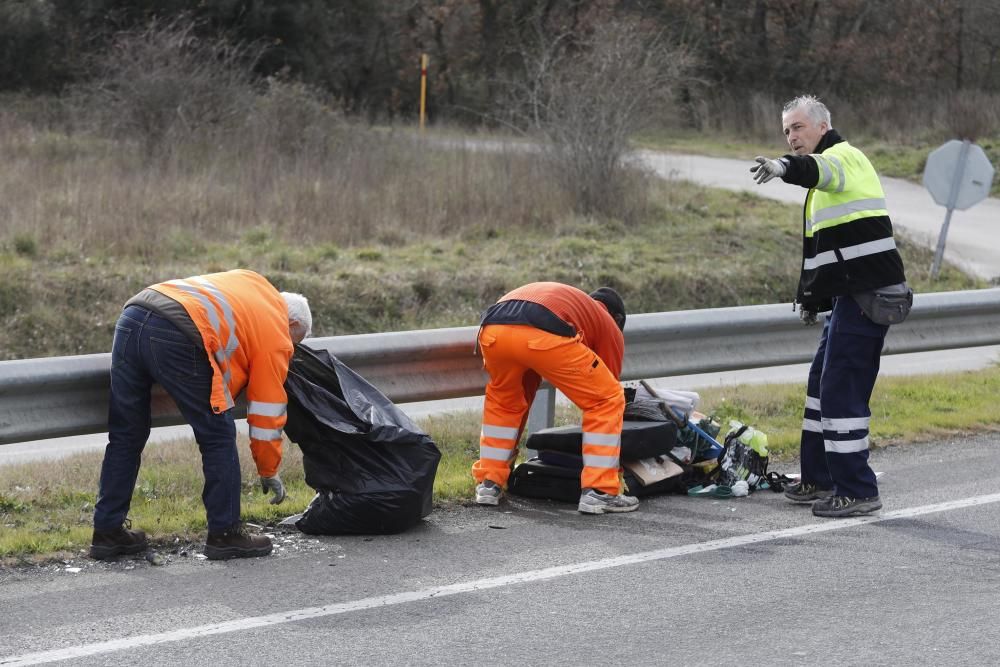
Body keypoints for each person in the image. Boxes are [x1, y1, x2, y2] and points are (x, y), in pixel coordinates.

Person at [750, 95, 908, 518]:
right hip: (849, 296)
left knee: (842, 389)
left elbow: (814, 169)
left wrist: (783, 166)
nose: (791, 137)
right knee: (822, 386)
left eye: (797, 128)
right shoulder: (825, 185)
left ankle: (857, 489)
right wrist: (813, 298)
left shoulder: (843, 158)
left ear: (822, 126)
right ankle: (820, 479)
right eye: (786, 131)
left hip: (869, 294)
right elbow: (829, 252)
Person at [90, 269, 312, 560]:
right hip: (179, 331)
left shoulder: (253, 282)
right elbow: (266, 409)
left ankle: (107, 533)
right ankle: (225, 534)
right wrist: (268, 469)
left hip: (135, 312)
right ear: (292, 323)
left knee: (126, 434)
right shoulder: (277, 331)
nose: (290, 349)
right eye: (294, 342)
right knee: (217, 436)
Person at [471, 282, 638, 515]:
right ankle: (600, 492)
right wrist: (615, 470)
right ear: (617, 318)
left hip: (494, 328)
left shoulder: (576, 305)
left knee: (506, 404)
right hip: (543, 330)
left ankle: (489, 483)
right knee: (607, 400)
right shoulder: (607, 322)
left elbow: (525, 393)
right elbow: (605, 390)